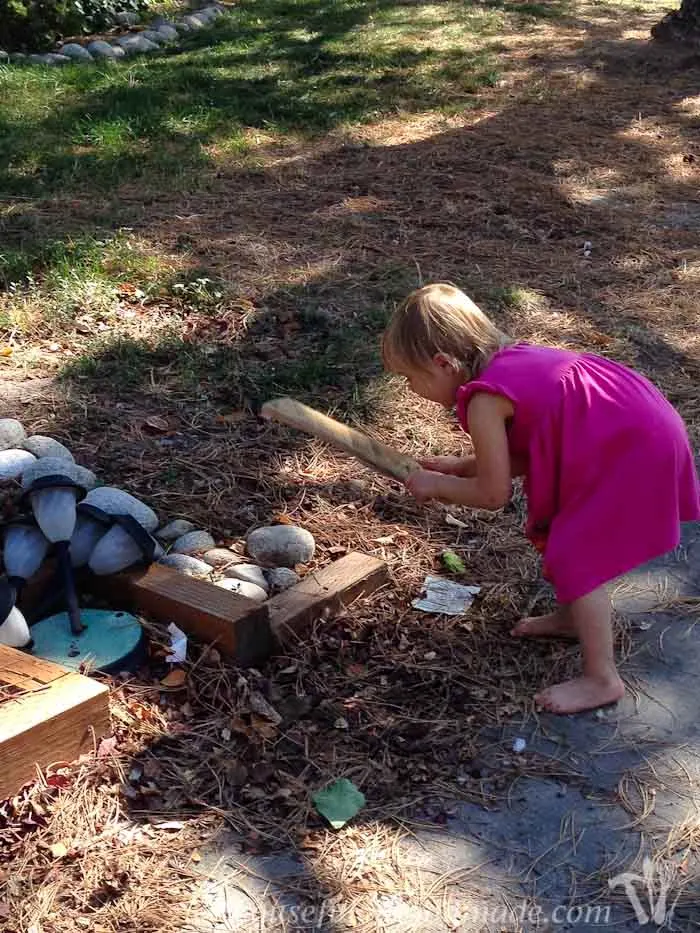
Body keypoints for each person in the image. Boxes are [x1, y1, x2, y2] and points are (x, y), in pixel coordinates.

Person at [382, 283, 700, 714]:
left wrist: (436, 486)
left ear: (443, 363)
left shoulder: (483, 400)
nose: (409, 387)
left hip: (630, 450)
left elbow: (493, 494)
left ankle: (602, 679)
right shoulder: (507, 364)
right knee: (560, 530)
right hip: (635, 431)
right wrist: (463, 465)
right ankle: (572, 620)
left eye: (409, 377)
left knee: (577, 552)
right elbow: (532, 448)